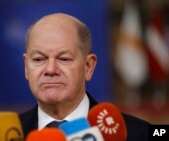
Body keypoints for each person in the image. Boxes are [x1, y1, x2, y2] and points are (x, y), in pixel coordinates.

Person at [20, 13, 150, 141]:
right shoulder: (10, 134)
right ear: (26, 67)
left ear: (88, 66)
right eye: (38, 59)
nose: (50, 70)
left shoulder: (139, 133)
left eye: (64, 59)